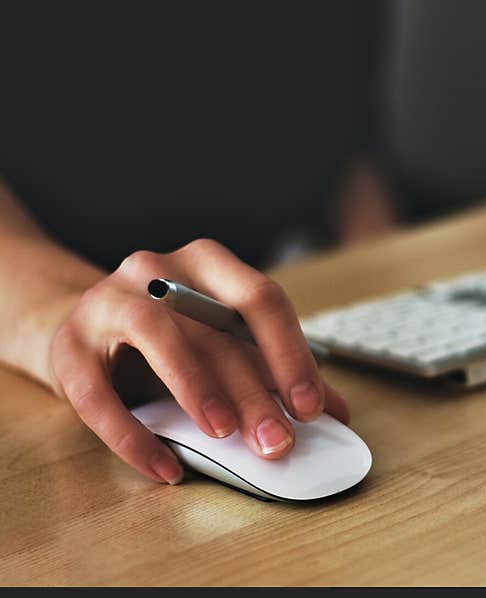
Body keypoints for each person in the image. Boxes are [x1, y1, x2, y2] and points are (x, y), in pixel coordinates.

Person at [0, 3, 394, 485]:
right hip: (72, 289)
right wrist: (63, 315)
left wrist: (388, 304)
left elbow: (351, 148)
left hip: (264, 312)